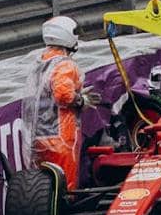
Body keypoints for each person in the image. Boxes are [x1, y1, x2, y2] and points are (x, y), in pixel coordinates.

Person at [22, 16, 101, 189]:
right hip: (61, 138)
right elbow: (63, 95)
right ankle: (66, 214)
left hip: (38, 135)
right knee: (65, 185)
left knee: (43, 187)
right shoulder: (65, 64)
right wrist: (81, 100)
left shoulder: (41, 62)